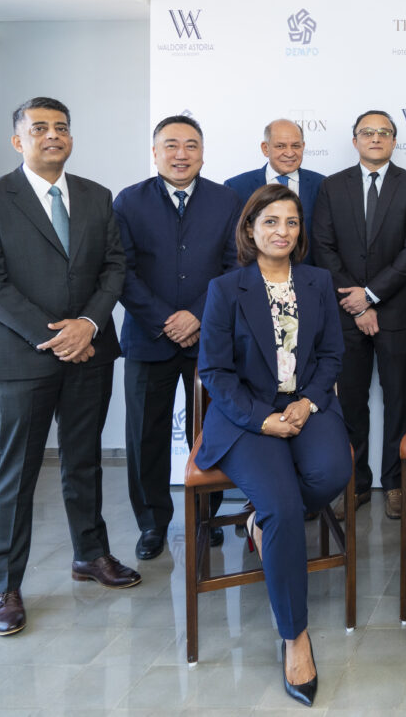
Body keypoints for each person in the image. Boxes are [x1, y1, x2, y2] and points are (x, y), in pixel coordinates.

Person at [0, 97, 141, 637]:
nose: (53, 136)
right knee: (15, 476)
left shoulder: (95, 196)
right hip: (20, 359)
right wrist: (59, 338)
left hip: (92, 351)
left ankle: (91, 554)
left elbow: (114, 267)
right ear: (19, 141)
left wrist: (88, 324)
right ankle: (5, 585)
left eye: (61, 127)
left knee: (83, 461)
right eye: (39, 129)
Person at [195, 184, 352, 706]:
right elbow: (214, 371)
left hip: (305, 405)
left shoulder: (318, 281)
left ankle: (259, 522)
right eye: (270, 222)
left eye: (290, 222)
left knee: (330, 475)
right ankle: (295, 636)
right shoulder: (226, 288)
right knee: (284, 507)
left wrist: (306, 404)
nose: (281, 231)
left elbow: (332, 353)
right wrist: (264, 420)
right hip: (247, 417)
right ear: (250, 230)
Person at [115, 115, 241, 560]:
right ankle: (152, 524)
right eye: (171, 145)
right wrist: (167, 319)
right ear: (155, 153)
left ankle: (209, 513)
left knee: (209, 431)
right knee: (144, 436)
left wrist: (199, 316)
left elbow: (235, 267)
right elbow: (121, 271)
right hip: (149, 338)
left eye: (190, 146)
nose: (181, 154)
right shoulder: (128, 202)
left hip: (209, 338)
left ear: (203, 153)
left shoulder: (227, 201)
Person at [311, 110, 406, 520]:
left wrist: (372, 296)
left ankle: (396, 483)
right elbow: (323, 247)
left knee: (398, 399)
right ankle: (355, 484)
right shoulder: (331, 187)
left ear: (395, 141)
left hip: (395, 312)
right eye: (368, 132)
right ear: (354, 139)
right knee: (350, 403)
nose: (376, 138)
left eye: (384, 132)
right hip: (344, 314)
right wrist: (355, 300)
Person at [224, 119, 325, 263]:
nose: (290, 153)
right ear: (265, 148)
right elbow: (232, 242)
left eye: (296, 146)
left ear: (303, 147)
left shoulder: (322, 185)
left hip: (309, 278)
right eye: (280, 146)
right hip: (254, 278)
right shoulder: (236, 187)